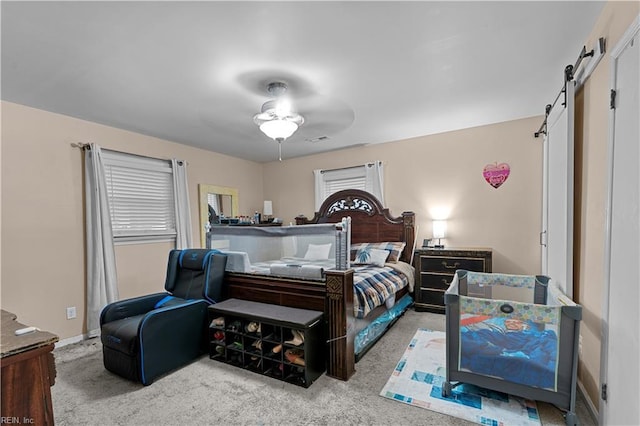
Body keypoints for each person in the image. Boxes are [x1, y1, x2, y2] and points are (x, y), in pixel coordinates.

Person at [459, 316, 558, 390]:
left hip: (524, 347)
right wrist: (497, 349)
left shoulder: (536, 335)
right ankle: (486, 351)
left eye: (516, 321)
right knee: (469, 338)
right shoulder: (501, 334)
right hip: (499, 344)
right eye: (508, 321)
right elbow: (494, 337)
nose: (512, 323)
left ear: (524, 324)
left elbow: (547, 345)